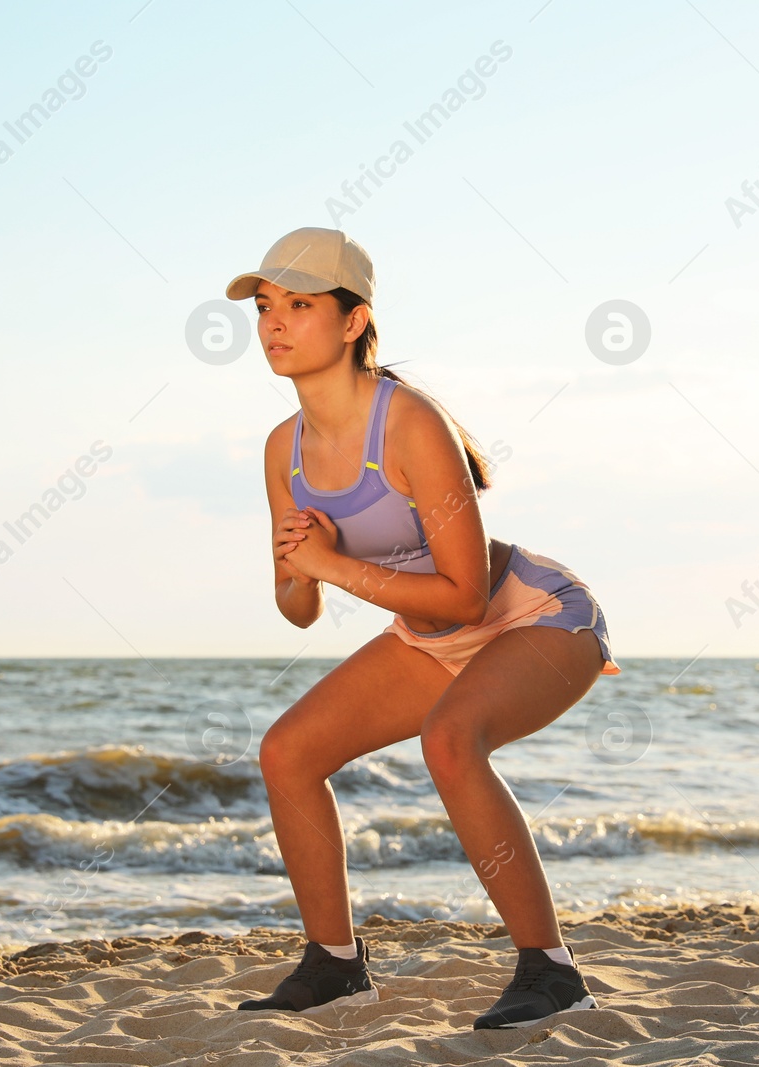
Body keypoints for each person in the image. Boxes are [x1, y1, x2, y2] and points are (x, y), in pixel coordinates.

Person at [224, 227, 621, 1030]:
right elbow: (297, 608)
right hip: (430, 635)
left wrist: (335, 568)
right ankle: (334, 963)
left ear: (352, 321)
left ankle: (551, 967)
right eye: (266, 307)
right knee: (287, 752)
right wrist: (301, 568)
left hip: (538, 615)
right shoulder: (282, 448)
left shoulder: (408, 424)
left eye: (299, 305)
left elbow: (468, 597)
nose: (273, 323)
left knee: (449, 737)